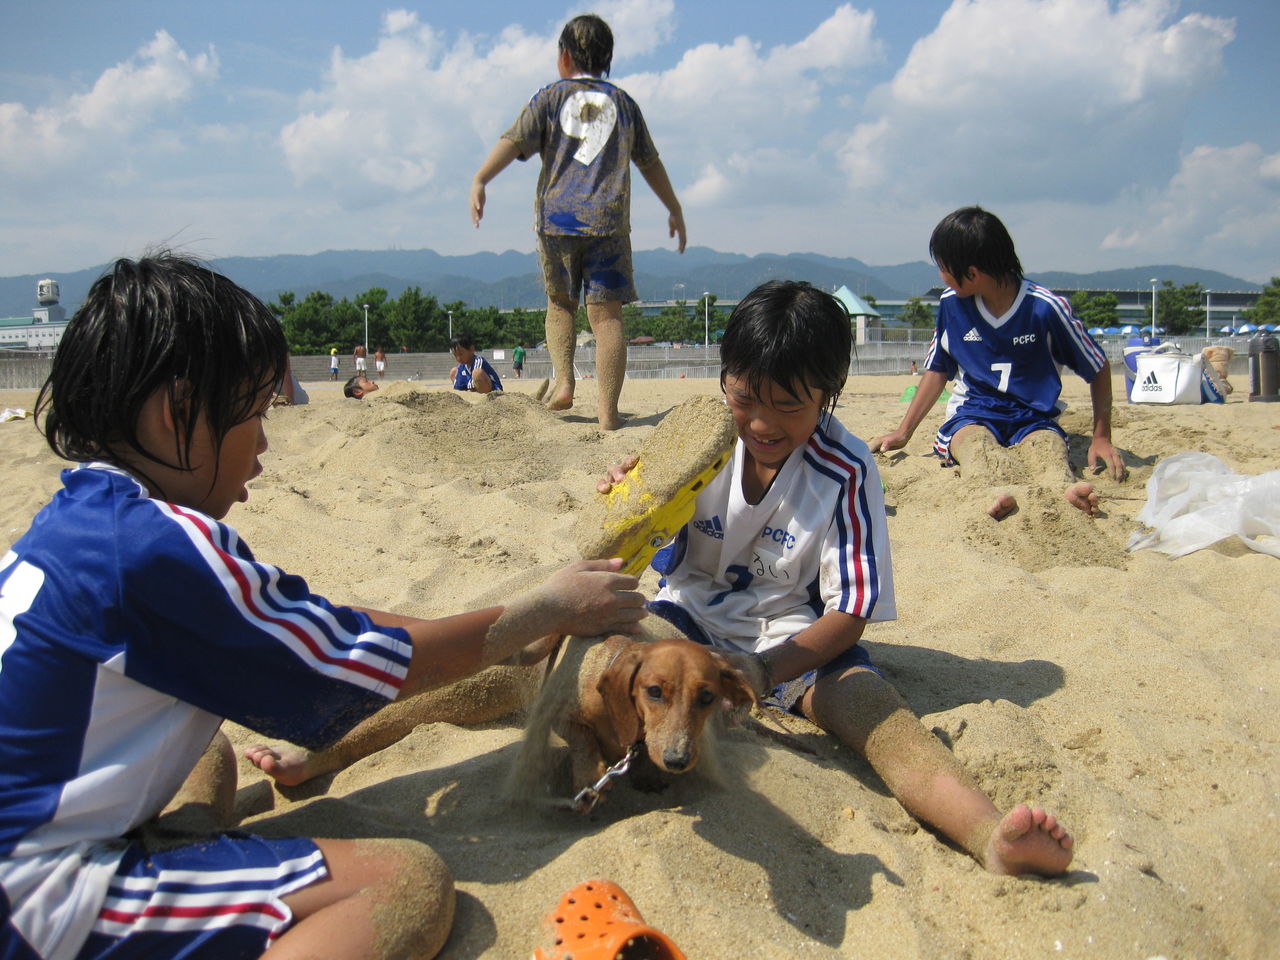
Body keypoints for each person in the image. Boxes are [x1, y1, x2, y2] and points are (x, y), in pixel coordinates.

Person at [0, 253, 647, 959]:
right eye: (253, 415)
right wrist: (545, 610)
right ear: (177, 412)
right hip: (33, 896)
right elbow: (364, 666)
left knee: (207, 753)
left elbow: (324, 625)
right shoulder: (157, 550)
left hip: (33, 824)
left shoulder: (86, 518)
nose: (264, 444)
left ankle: (191, 868)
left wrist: (512, 630)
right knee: (404, 886)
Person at [600, 279, 1074, 877]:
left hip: (794, 639)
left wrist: (763, 671)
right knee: (608, 654)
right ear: (725, 379)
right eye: (745, 398)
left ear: (829, 393)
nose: (762, 423)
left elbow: (850, 614)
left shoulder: (846, 468)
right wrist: (625, 500)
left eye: (789, 406)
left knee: (874, 709)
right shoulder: (695, 441)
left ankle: (988, 835)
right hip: (685, 619)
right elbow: (624, 551)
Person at [470, 13, 686, 431]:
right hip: (608, 221)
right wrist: (673, 207)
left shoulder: (550, 98)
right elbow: (650, 162)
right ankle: (608, 414)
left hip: (558, 219)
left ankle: (565, 382)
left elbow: (512, 142)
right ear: (607, 59)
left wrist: (481, 179)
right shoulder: (624, 104)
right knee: (607, 318)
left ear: (564, 56)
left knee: (560, 304)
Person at [871, 207, 1125, 519]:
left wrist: (1101, 437)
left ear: (972, 273)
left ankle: (1064, 490)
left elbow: (1097, 366)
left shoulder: (1046, 309)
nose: (941, 276)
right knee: (976, 448)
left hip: (1033, 418)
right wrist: (904, 431)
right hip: (973, 414)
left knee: (1048, 449)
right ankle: (993, 495)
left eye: (944, 268)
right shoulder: (952, 305)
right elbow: (937, 370)